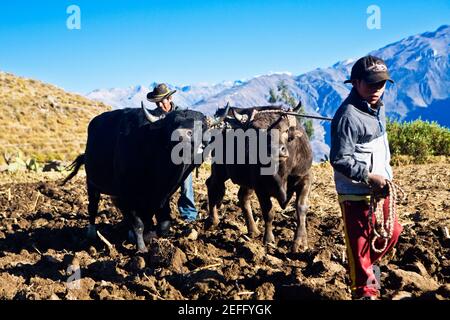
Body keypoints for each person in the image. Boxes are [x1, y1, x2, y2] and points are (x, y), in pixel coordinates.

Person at [330, 56, 403, 300]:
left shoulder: (378, 108)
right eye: (371, 84)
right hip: (356, 193)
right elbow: (340, 159)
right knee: (361, 247)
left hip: (379, 191)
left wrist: (384, 179)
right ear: (356, 83)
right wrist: (370, 177)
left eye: (381, 84)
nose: (377, 89)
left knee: (391, 233)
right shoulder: (347, 116)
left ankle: (370, 280)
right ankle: (364, 292)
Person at [146, 84, 199, 230]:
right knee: (161, 188)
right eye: (157, 102)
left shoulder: (183, 113)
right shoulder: (153, 115)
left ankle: (189, 215)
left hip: (182, 156)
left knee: (186, 185)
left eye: (162, 101)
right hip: (162, 158)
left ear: (170, 98)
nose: (160, 104)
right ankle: (163, 217)